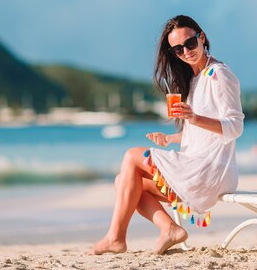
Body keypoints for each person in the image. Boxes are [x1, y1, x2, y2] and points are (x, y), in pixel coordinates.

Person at [90, 14, 244, 255]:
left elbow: (235, 127)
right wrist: (171, 139)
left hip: (213, 170)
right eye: (178, 50)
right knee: (124, 182)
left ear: (201, 38)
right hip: (199, 165)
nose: (186, 51)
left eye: (190, 43)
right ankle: (169, 228)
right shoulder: (194, 79)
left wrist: (193, 117)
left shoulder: (219, 75)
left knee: (132, 156)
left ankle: (115, 238)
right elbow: (202, 134)